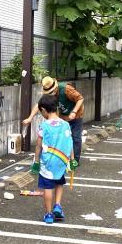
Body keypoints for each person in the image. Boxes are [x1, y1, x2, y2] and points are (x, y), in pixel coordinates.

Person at [30, 94, 76, 224]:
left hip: (48, 163)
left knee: (47, 187)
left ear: (43, 110)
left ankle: (49, 214)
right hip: (62, 161)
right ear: (56, 108)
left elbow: (38, 146)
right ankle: (58, 205)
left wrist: (36, 162)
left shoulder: (44, 126)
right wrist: (72, 160)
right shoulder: (66, 124)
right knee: (59, 182)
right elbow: (70, 143)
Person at [22, 76, 84, 164]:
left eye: (50, 92)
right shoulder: (49, 94)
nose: (49, 94)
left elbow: (80, 99)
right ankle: (63, 158)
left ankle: (75, 161)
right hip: (63, 117)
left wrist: (74, 112)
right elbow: (39, 105)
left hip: (76, 115)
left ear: (55, 88)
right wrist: (30, 118)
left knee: (75, 137)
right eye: (48, 92)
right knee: (63, 137)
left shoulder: (66, 89)